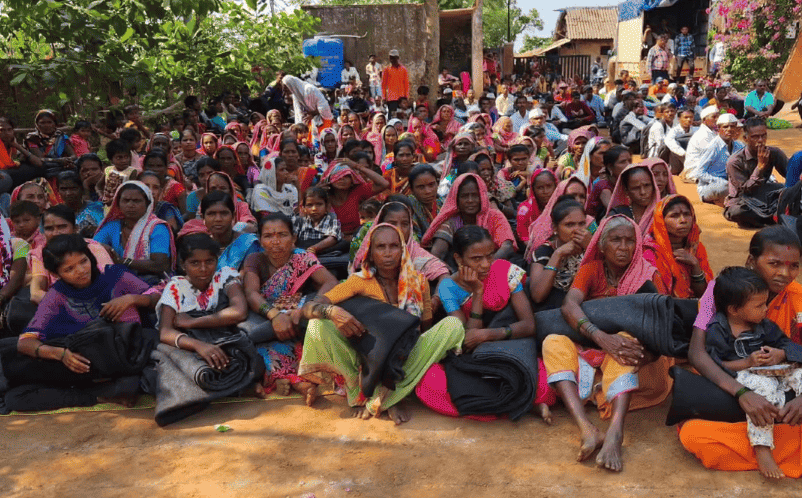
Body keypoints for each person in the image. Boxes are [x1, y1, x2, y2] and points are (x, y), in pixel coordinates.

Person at [298, 223, 465, 424]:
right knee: (318, 325)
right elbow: (309, 307)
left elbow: (425, 328)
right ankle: (359, 393)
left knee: (453, 326)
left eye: (394, 246)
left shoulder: (418, 282)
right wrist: (331, 311)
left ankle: (386, 396)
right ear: (370, 252)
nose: (388, 253)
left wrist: (406, 353)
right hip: (367, 359)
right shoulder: (359, 281)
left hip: (404, 358)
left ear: (403, 250)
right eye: (380, 247)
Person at [543, 215, 667, 472]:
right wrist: (600, 337)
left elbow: (662, 331)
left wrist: (620, 345)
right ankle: (586, 428)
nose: (623, 247)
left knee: (626, 343)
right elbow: (569, 305)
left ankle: (615, 433)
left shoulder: (648, 277)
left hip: (641, 363)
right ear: (600, 246)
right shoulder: (591, 270)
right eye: (615, 240)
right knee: (553, 342)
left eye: (629, 240)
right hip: (597, 350)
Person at [682, 226, 802, 478]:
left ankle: (767, 437)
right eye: (774, 263)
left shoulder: (798, 296)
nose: (784, 274)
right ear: (751, 260)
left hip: (786, 386)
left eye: (793, 266)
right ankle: (776, 441)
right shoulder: (718, 291)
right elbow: (697, 353)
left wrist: (784, 356)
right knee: (693, 435)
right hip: (734, 385)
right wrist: (743, 394)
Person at [13, 234, 157, 409]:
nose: (81, 270)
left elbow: (159, 297)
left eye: (83, 261)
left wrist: (131, 299)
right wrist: (61, 354)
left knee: (131, 384)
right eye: (69, 269)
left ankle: (101, 393)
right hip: (85, 366)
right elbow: (25, 342)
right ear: (55, 274)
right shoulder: (56, 296)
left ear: (90, 256)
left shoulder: (114, 275)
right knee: (16, 396)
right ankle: (98, 395)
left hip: (125, 361)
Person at [436, 225, 554, 422]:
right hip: (479, 355)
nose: (485, 265)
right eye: (476, 259)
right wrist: (478, 293)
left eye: (489, 256)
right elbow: (468, 340)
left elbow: (528, 325)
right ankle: (524, 404)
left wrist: (488, 334)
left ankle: (518, 402)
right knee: (442, 385)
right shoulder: (448, 287)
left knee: (544, 384)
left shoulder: (504, 270)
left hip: (513, 344)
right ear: (458, 259)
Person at [705, 266, 802, 479]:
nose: (766, 309)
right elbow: (714, 366)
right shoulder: (718, 330)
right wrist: (746, 362)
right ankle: (762, 447)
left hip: (776, 371)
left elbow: (789, 347)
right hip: (747, 377)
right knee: (763, 389)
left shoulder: (764, 325)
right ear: (734, 309)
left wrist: (780, 354)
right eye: (759, 305)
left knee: (800, 374)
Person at [239, 213, 338, 400]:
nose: (275, 241)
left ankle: (295, 379)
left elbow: (330, 282)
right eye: (268, 236)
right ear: (260, 240)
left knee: (313, 334)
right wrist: (275, 315)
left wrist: (308, 307)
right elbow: (251, 293)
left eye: (282, 235)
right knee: (257, 343)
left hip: (296, 316)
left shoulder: (303, 258)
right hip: (266, 319)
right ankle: (293, 380)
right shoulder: (254, 260)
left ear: (293, 238)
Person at [156, 232, 249, 377]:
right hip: (191, 347)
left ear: (217, 261)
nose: (203, 269)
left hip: (226, 342)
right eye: (195, 263)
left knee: (244, 359)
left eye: (209, 261)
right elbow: (165, 332)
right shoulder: (176, 287)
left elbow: (239, 311)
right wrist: (198, 345)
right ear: (183, 264)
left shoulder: (225, 277)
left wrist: (193, 322)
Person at [28, 204, 113, 305]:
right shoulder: (40, 253)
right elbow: (36, 293)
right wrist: (73, 304)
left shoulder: (92, 247)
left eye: (62, 227)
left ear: (75, 228)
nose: (55, 233)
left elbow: (110, 280)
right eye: (49, 228)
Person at [351, 199, 450, 285]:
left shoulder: (415, 251)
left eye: (405, 224)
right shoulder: (371, 251)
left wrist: (436, 299)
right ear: (381, 225)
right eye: (392, 223)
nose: (399, 229)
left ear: (410, 226)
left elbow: (442, 273)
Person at [94, 181, 174, 284]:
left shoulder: (157, 228)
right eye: (126, 200)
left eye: (137, 201)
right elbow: (92, 246)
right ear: (118, 203)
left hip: (152, 283)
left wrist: (123, 262)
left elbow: (159, 265)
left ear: (148, 203)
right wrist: (101, 247)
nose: (130, 205)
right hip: (117, 281)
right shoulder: (112, 226)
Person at [424, 173, 516, 263]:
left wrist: (484, 265)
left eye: (475, 195)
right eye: (464, 196)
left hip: (493, 267)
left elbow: (507, 246)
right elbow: (437, 254)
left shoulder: (494, 216)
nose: (470, 200)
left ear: (482, 197)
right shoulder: (452, 222)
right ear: (457, 199)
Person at [527, 193, 594, 309]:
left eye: (582, 224)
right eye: (569, 225)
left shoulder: (592, 246)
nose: (577, 230)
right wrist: (558, 254)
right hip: (554, 312)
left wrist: (591, 248)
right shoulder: (544, 251)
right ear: (555, 228)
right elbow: (537, 296)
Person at [643, 195, 712, 298]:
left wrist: (695, 266)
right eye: (674, 216)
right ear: (661, 220)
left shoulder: (696, 248)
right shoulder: (650, 252)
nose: (683, 220)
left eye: (687, 214)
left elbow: (705, 295)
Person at [724, 118, 788, 228]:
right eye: (755, 137)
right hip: (743, 201)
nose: (760, 140)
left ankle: (771, 218)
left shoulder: (774, 153)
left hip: (766, 197)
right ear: (745, 138)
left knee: (788, 193)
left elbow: (792, 176)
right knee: (738, 212)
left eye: (764, 135)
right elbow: (745, 191)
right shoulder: (734, 161)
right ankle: (774, 218)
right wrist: (760, 167)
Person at [321, 160, 390, 240]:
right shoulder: (324, 196)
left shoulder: (357, 191)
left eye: (346, 176)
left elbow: (384, 184)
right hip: (329, 241)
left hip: (355, 239)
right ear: (329, 179)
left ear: (352, 179)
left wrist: (358, 166)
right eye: (337, 176)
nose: (341, 179)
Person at [195, 191, 260, 271]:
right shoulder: (200, 247)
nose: (218, 219)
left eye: (224, 213)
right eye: (211, 214)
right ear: (203, 217)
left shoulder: (248, 243)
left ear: (233, 216)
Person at [696, 113, 744, 205]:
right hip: (711, 187)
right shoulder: (712, 147)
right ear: (718, 129)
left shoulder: (739, 146)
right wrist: (721, 181)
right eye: (725, 127)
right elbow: (699, 173)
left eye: (732, 126)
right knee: (723, 187)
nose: (729, 130)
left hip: (732, 184)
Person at [606, 163, 660, 234]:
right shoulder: (618, 215)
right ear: (626, 191)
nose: (643, 192)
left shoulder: (662, 213)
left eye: (647, 185)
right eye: (636, 188)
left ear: (654, 186)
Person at [586, 145, 632, 221]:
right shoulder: (603, 187)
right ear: (610, 167)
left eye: (629, 161)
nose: (628, 165)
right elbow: (617, 212)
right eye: (623, 162)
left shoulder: (624, 182)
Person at [293, 187, 343, 254]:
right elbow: (292, 239)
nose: (314, 208)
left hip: (322, 250)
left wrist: (313, 248)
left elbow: (333, 238)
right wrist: (295, 250)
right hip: (303, 250)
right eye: (309, 205)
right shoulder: (298, 220)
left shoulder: (331, 218)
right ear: (303, 208)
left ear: (327, 207)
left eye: (319, 204)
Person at [516, 169, 557, 243]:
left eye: (549, 186)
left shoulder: (561, 206)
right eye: (540, 188)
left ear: (555, 186)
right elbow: (524, 238)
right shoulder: (524, 210)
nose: (545, 191)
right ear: (533, 189)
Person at [682, 106, 720, 182]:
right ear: (704, 120)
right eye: (714, 117)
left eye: (718, 117)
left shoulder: (711, 132)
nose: (717, 119)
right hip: (695, 170)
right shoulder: (702, 135)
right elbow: (711, 158)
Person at [407, 164, 441, 239]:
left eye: (431, 185)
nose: (428, 191)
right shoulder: (408, 211)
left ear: (437, 183)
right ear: (411, 189)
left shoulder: (443, 205)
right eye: (421, 187)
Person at [664, 108, 698, 175]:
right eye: (686, 117)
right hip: (677, 164)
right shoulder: (674, 131)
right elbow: (669, 141)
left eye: (691, 117)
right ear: (679, 119)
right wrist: (685, 153)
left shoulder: (696, 130)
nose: (689, 120)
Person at [382, 49, 410, 116]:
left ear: (397, 58)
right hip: (391, 98)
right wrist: (384, 97)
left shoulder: (403, 69)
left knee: (402, 116)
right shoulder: (387, 70)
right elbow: (383, 85)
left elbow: (406, 84)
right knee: (392, 116)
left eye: (394, 58)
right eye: (391, 58)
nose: (392, 60)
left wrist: (406, 97)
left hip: (402, 98)